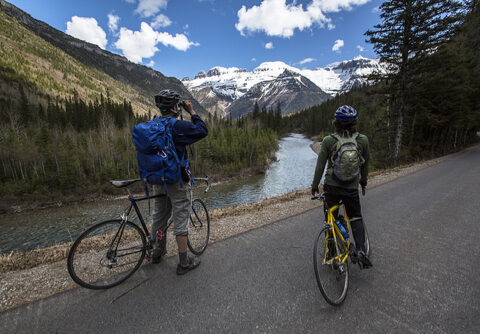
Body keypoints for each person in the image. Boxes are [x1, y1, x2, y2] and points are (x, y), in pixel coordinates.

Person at [150, 89, 208, 275]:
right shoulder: (177, 126)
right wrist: (192, 111)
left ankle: (156, 252)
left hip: (158, 179)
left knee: (158, 217)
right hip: (177, 180)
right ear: (176, 107)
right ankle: (184, 262)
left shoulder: (153, 124)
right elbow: (202, 130)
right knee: (181, 218)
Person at [311, 105, 372, 268]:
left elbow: (320, 166)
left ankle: (331, 253)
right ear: (354, 123)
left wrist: (315, 185)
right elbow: (365, 165)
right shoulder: (362, 140)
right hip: (351, 188)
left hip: (332, 187)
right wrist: (363, 182)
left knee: (330, 220)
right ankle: (360, 251)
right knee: (355, 217)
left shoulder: (329, 140)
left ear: (336, 122)